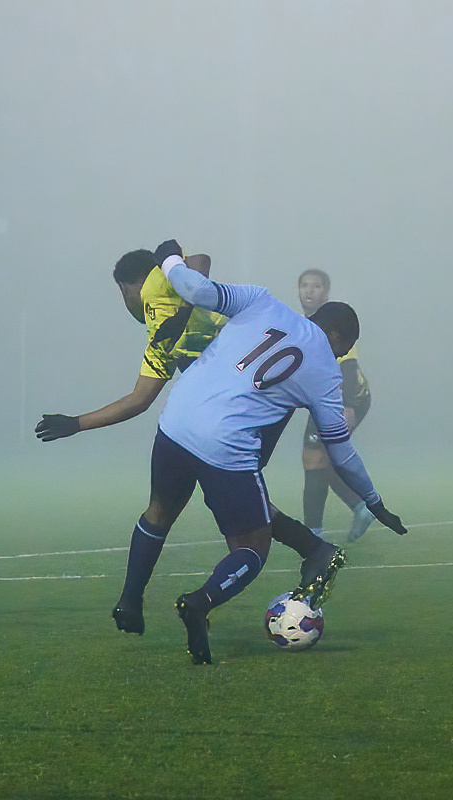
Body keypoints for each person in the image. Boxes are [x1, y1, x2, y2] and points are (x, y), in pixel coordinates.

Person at [36, 248, 343, 637]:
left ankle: (307, 552)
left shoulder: (158, 285)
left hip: (246, 409)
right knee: (225, 505)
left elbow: (198, 259)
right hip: (215, 418)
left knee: (228, 519)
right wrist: (76, 424)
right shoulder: (158, 336)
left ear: (127, 287)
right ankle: (312, 550)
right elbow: (140, 398)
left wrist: (182, 307)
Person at [147, 240, 406, 664]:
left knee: (245, 501)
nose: (342, 354)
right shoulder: (322, 365)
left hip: (187, 419)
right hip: (231, 437)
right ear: (336, 336)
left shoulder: (263, 303)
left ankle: (314, 547)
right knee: (253, 542)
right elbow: (341, 452)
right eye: (344, 346)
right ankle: (209, 597)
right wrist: (374, 501)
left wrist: (170, 260)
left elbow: (198, 288)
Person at [296, 269, 375, 541]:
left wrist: (348, 405)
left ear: (326, 293)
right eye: (304, 285)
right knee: (320, 460)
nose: (309, 291)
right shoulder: (301, 323)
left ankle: (314, 535)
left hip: (347, 397)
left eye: (316, 286)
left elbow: (348, 367)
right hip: (325, 397)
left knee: (314, 458)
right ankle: (360, 507)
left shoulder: (335, 321)